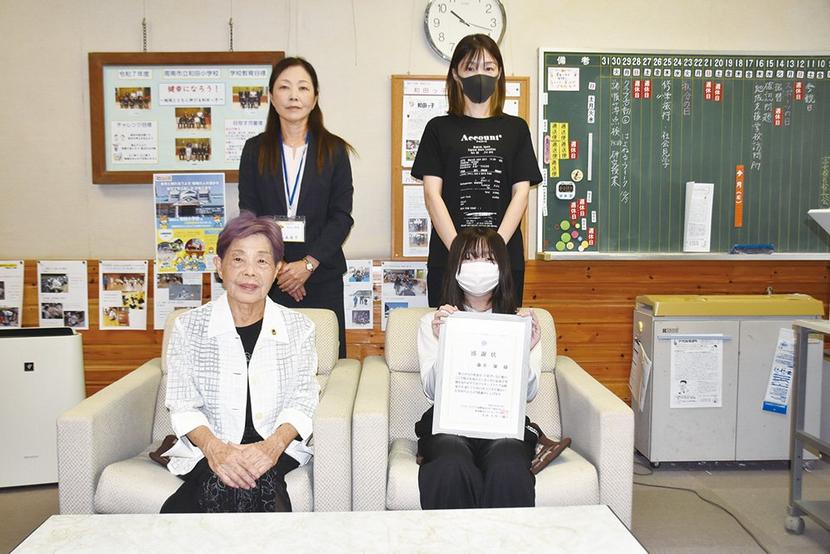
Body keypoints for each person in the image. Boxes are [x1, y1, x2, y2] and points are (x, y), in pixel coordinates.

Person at [160, 212, 319, 513]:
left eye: (262, 261)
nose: (250, 272)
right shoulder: (189, 327)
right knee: (238, 484)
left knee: (249, 480)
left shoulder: (299, 328)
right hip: (210, 444)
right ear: (219, 265)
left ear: (277, 270)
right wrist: (215, 450)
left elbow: (304, 399)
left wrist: (271, 448)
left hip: (277, 445)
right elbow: (182, 403)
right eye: (238, 259)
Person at [411, 34, 543, 307]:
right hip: (449, 257)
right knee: (446, 329)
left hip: (504, 260)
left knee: (502, 331)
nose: (480, 75)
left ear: (499, 73)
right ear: (456, 74)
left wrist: (494, 252)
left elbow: (520, 194)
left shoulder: (516, 129)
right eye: (470, 68)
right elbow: (432, 196)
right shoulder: (437, 128)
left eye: (488, 67)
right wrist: (460, 252)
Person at [415, 227, 542, 509]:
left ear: (502, 267)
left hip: (502, 424)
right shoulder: (434, 322)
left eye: (489, 259)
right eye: (470, 258)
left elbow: (529, 394)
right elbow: (432, 391)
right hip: (450, 426)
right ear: (455, 266)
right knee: (450, 463)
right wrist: (444, 341)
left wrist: (526, 349)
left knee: (508, 463)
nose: (479, 266)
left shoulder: (520, 323)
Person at [239, 57, 354, 358]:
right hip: (269, 278)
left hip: (322, 275)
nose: (294, 96)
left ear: (314, 98)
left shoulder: (334, 150)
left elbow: (341, 217)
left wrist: (307, 265)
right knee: (270, 361)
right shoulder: (254, 150)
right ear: (271, 97)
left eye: (303, 88)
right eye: (284, 87)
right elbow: (249, 216)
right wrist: (279, 269)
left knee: (325, 361)